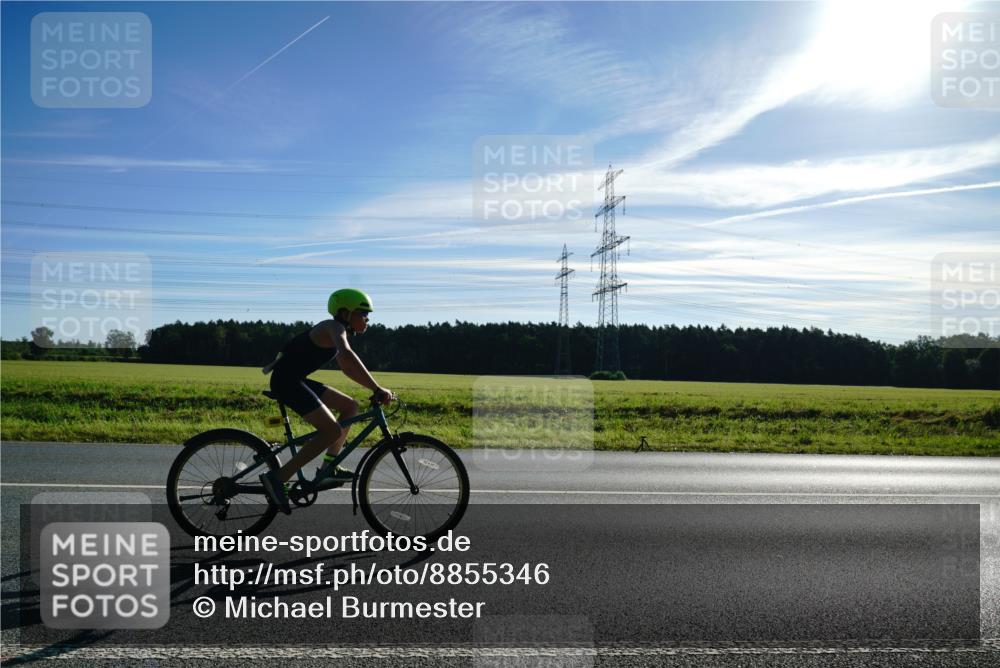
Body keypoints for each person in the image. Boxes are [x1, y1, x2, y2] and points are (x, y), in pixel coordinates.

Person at [259, 288, 393, 514]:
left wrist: (372, 387)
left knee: (350, 406)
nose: (367, 319)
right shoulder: (334, 328)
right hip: (286, 382)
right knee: (331, 431)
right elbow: (348, 356)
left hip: (294, 379)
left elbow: (347, 368)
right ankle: (278, 478)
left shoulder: (338, 330)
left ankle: (329, 467)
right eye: (363, 313)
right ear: (345, 313)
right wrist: (377, 388)